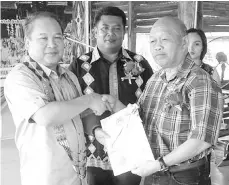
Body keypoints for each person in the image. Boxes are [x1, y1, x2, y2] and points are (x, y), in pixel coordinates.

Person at [102, 16, 223, 185]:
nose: (157, 46)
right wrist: (116, 105)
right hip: (155, 172)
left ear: (183, 43)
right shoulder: (155, 79)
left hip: (184, 176)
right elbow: (141, 120)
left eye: (164, 39)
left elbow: (201, 140)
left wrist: (159, 164)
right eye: (152, 41)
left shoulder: (201, 82)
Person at [4, 11, 111, 185]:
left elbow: (77, 113)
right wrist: (90, 99)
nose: (52, 44)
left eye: (58, 37)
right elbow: (46, 116)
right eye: (43, 38)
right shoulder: (21, 77)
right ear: (27, 43)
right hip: (44, 178)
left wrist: (97, 132)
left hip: (76, 176)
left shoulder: (69, 76)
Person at [69, 6, 153, 185]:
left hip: (131, 149)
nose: (110, 33)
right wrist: (95, 129)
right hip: (94, 149)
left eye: (116, 28)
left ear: (124, 32)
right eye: (104, 28)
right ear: (95, 32)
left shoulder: (140, 63)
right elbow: (72, 106)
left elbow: (152, 103)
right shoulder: (78, 66)